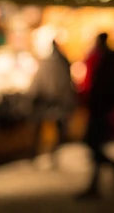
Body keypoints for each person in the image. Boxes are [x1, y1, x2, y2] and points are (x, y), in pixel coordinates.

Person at [78, 33, 114, 200]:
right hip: (102, 107)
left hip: (100, 108)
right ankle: (105, 175)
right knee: (94, 143)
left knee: (93, 142)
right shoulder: (109, 59)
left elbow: (100, 86)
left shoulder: (104, 60)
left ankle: (100, 180)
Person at [29, 39, 77, 167]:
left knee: (42, 128)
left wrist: (33, 95)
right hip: (56, 102)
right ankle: (51, 154)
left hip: (49, 101)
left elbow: (37, 83)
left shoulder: (47, 63)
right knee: (57, 129)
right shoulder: (63, 62)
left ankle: (38, 153)